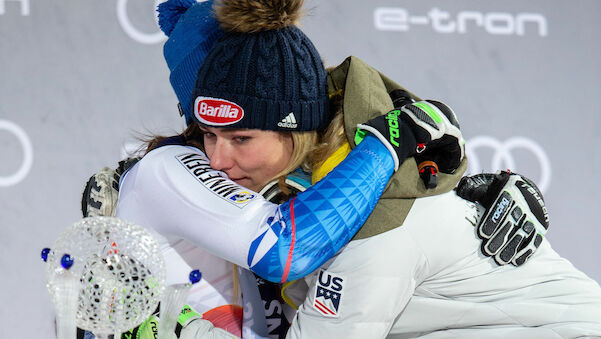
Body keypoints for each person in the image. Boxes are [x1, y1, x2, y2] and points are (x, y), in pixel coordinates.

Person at [80, 0, 555, 338]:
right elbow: (287, 250)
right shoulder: (180, 173)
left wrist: (451, 185)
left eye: (241, 135)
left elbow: (378, 126)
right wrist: (393, 144)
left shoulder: (320, 176)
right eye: (208, 132)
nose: (221, 158)